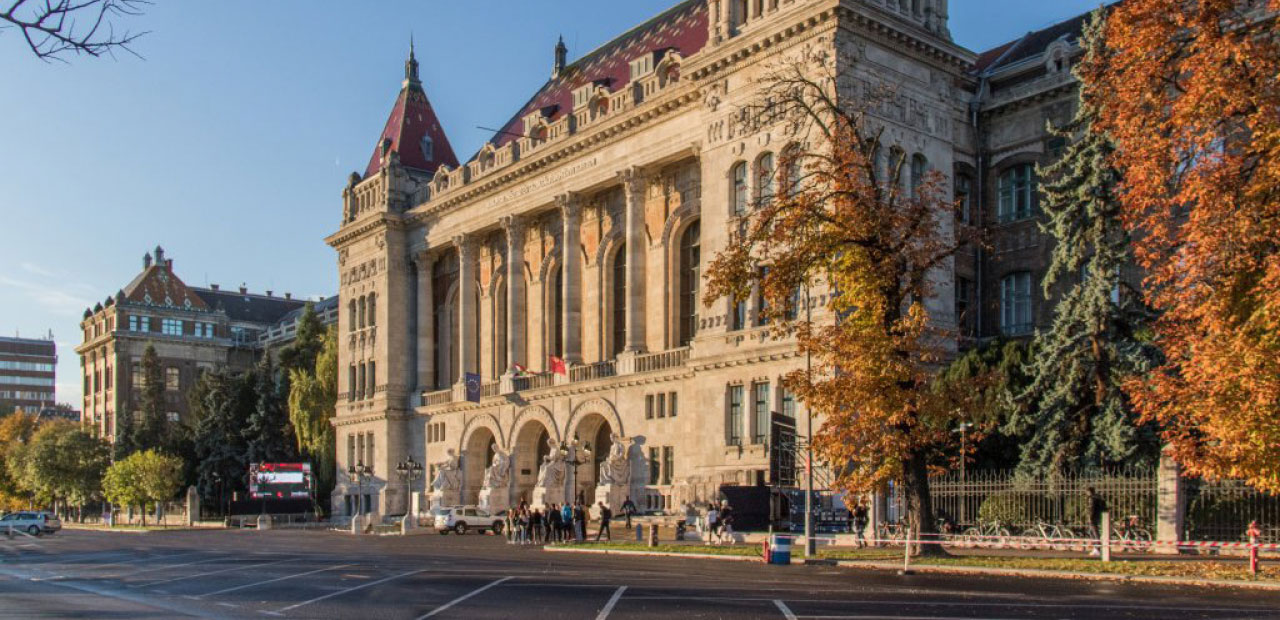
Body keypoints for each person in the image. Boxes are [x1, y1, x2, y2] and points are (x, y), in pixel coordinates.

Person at [1086, 487, 1108, 556]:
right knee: (1093, 532)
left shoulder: (1092, 498)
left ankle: (1097, 549)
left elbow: (1091, 508)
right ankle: (1097, 548)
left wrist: (1090, 517)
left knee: (1094, 533)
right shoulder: (1099, 497)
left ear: (1089, 492)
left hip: (1093, 518)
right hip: (1100, 516)